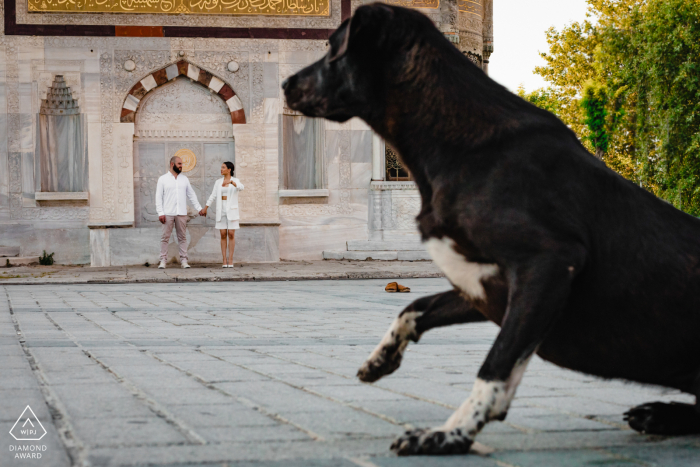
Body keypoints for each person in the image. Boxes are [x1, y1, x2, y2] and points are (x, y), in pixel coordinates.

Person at [155, 156, 203, 269]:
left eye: (181, 164)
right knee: (165, 237)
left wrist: (199, 208)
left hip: (181, 213)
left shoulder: (184, 179)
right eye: (179, 164)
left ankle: (184, 261)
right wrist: (160, 212)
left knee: (182, 237)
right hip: (167, 213)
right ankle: (163, 261)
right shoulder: (162, 179)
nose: (181, 166)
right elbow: (158, 197)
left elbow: (191, 194)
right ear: (172, 164)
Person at [200, 162, 244, 268]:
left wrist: (231, 182)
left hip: (232, 210)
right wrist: (206, 207)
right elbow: (213, 195)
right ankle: (224, 260)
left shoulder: (235, 181)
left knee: (231, 234)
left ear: (229, 169)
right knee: (223, 234)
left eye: (223, 167)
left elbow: (241, 187)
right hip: (221, 210)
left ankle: (231, 259)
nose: (221, 169)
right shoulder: (218, 182)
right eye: (221, 167)